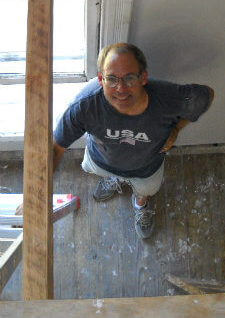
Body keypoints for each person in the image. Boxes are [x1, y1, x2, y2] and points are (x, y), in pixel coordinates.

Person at [16, 43, 213, 238]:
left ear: (143, 77)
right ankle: (115, 180)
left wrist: (177, 128)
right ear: (101, 79)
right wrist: (35, 194)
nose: (121, 89)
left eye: (129, 78)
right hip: (101, 162)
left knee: (146, 190)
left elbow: (205, 96)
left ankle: (140, 202)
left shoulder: (167, 98)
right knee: (99, 171)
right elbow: (56, 147)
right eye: (111, 79)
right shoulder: (84, 106)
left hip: (146, 168)